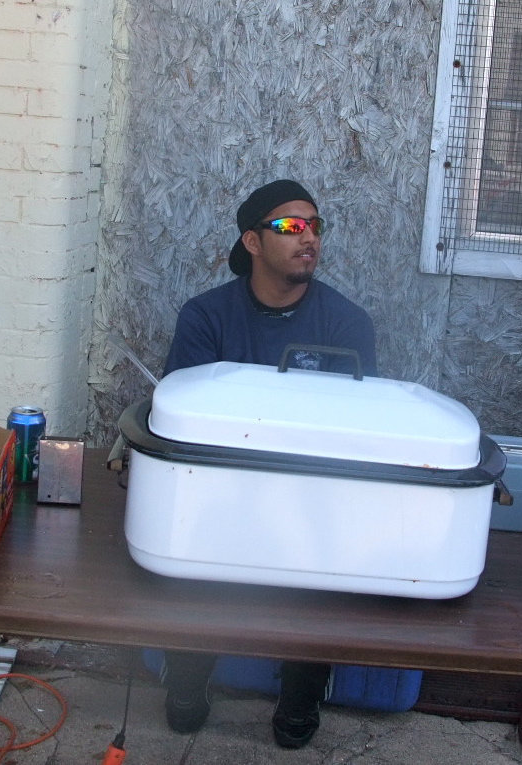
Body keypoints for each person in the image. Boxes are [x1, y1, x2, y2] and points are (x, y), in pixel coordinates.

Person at [160, 179, 378, 750]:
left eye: (314, 225)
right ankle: (187, 677)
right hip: (221, 489)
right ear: (252, 242)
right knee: (189, 541)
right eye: (289, 226)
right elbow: (186, 419)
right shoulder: (206, 316)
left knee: (330, 555)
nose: (307, 237)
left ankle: (302, 689)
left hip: (311, 494)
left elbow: (354, 434)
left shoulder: (346, 323)